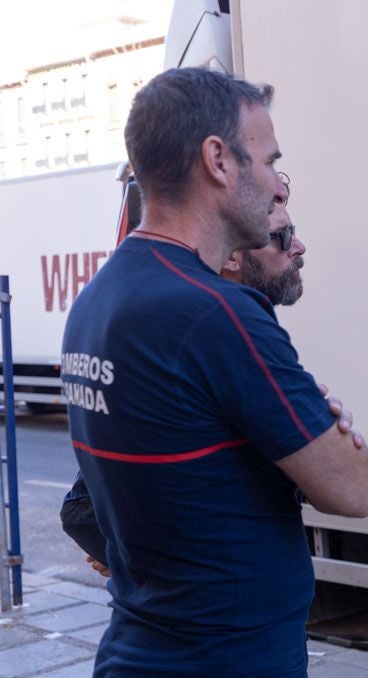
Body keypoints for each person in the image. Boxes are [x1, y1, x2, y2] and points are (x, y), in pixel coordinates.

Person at [61, 67, 368, 678]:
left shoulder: (101, 299)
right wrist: (322, 431)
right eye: (268, 160)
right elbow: (353, 491)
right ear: (216, 160)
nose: (280, 184)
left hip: (153, 672)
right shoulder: (217, 314)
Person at [61, 193, 316, 577]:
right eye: (282, 235)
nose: (299, 247)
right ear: (232, 257)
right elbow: (81, 509)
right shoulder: (207, 335)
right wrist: (132, 553)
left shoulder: (240, 331)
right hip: (217, 621)